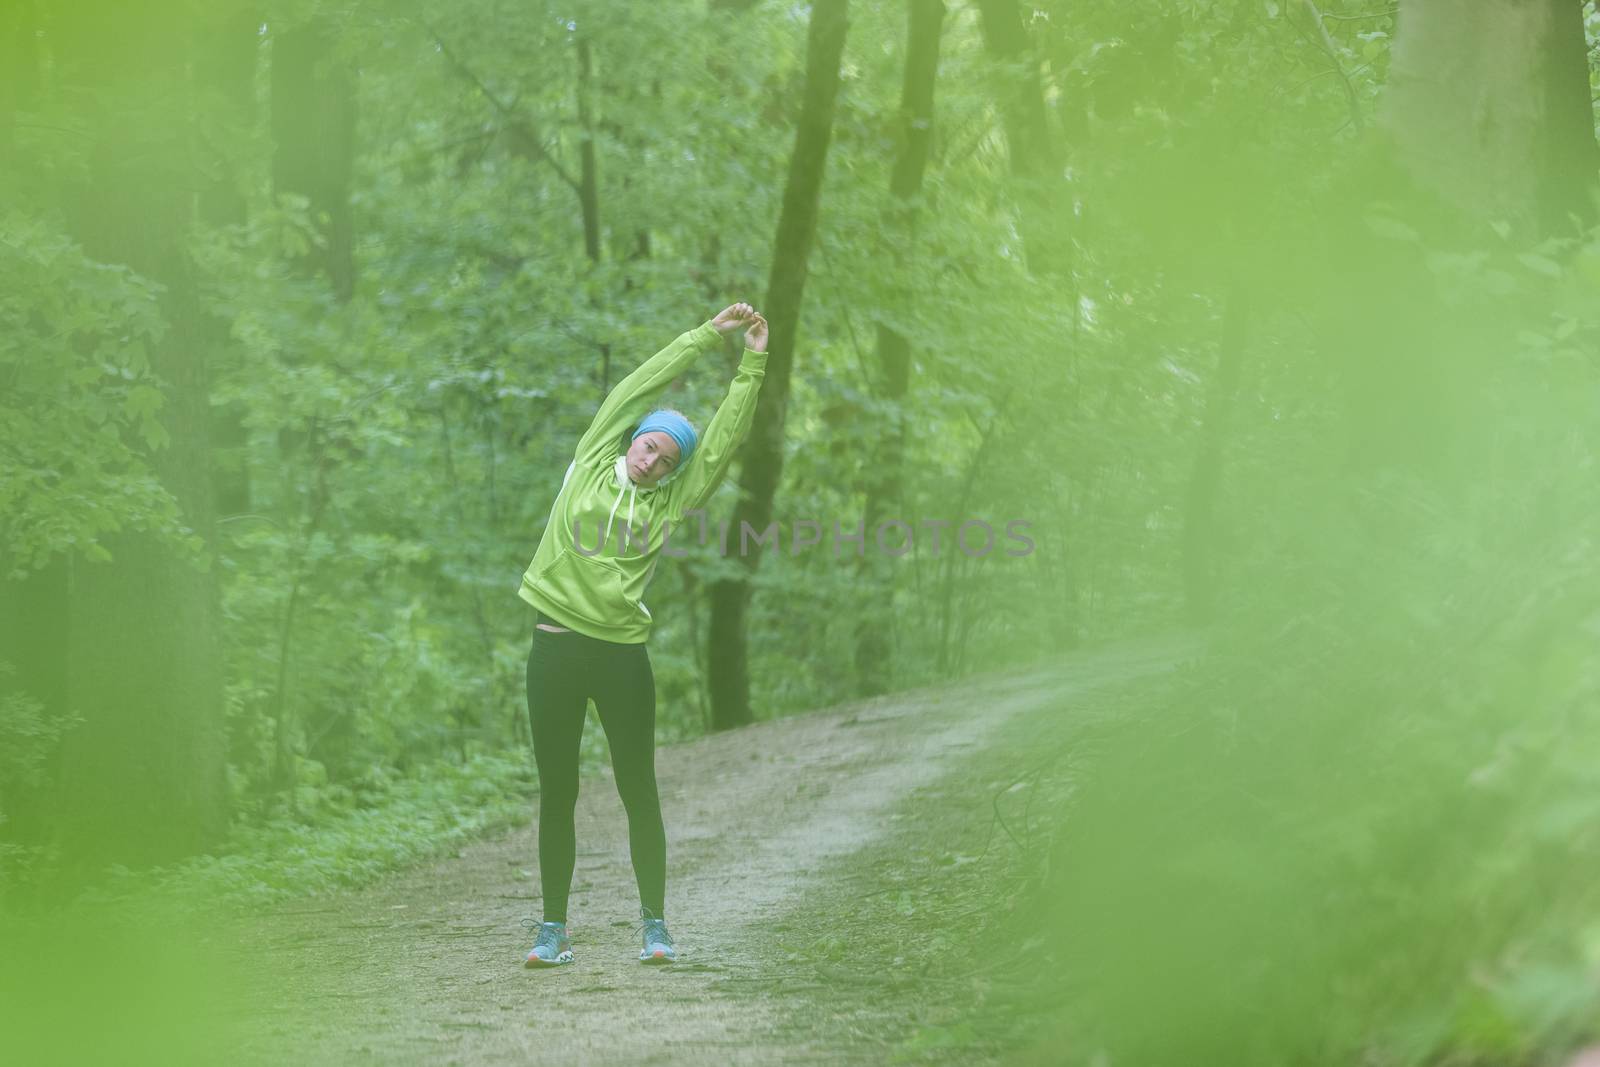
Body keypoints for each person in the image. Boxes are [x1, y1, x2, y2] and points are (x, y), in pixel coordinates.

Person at [516, 303, 769, 967]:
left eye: (666, 458)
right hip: (555, 649)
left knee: (638, 788)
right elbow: (634, 388)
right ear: (633, 438)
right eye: (650, 444)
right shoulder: (592, 460)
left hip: (621, 656)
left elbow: (719, 443)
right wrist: (702, 338)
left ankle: (656, 926)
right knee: (559, 790)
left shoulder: (670, 501)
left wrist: (752, 363)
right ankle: (552, 929)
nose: (653, 460)